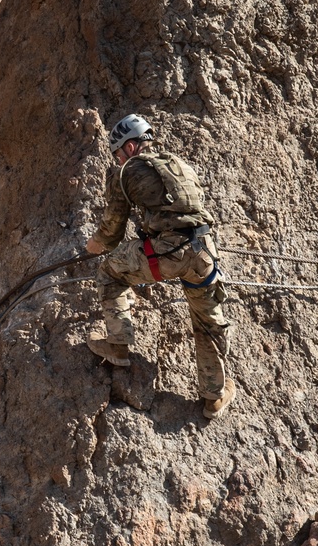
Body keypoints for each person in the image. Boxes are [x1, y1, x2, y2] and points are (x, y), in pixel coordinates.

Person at [85, 113, 235, 419]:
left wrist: (94, 246)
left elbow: (112, 230)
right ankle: (214, 398)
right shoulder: (178, 164)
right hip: (204, 252)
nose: (116, 160)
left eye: (116, 154)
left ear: (128, 147)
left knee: (110, 273)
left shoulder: (126, 171)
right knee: (207, 321)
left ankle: (118, 345)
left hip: (167, 254)